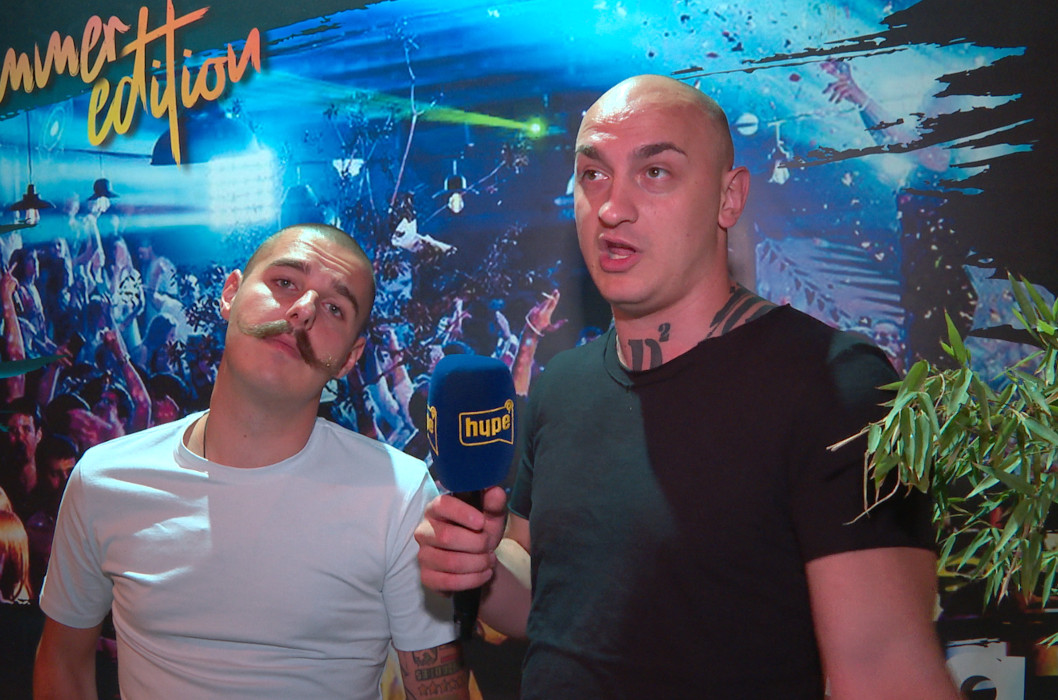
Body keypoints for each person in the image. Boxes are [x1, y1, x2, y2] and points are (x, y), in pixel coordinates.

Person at [414, 75, 961, 698]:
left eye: (655, 173)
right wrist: (477, 569)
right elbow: (553, 610)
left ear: (729, 198)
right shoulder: (561, 386)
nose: (612, 207)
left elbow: (887, 672)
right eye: (593, 174)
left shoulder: (835, 384)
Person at [35, 223, 470, 699]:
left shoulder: (399, 494)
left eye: (334, 308)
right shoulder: (105, 480)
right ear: (230, 294)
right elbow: (62, 661)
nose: (303, 311)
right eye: (285, 282)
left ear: (350, 357)